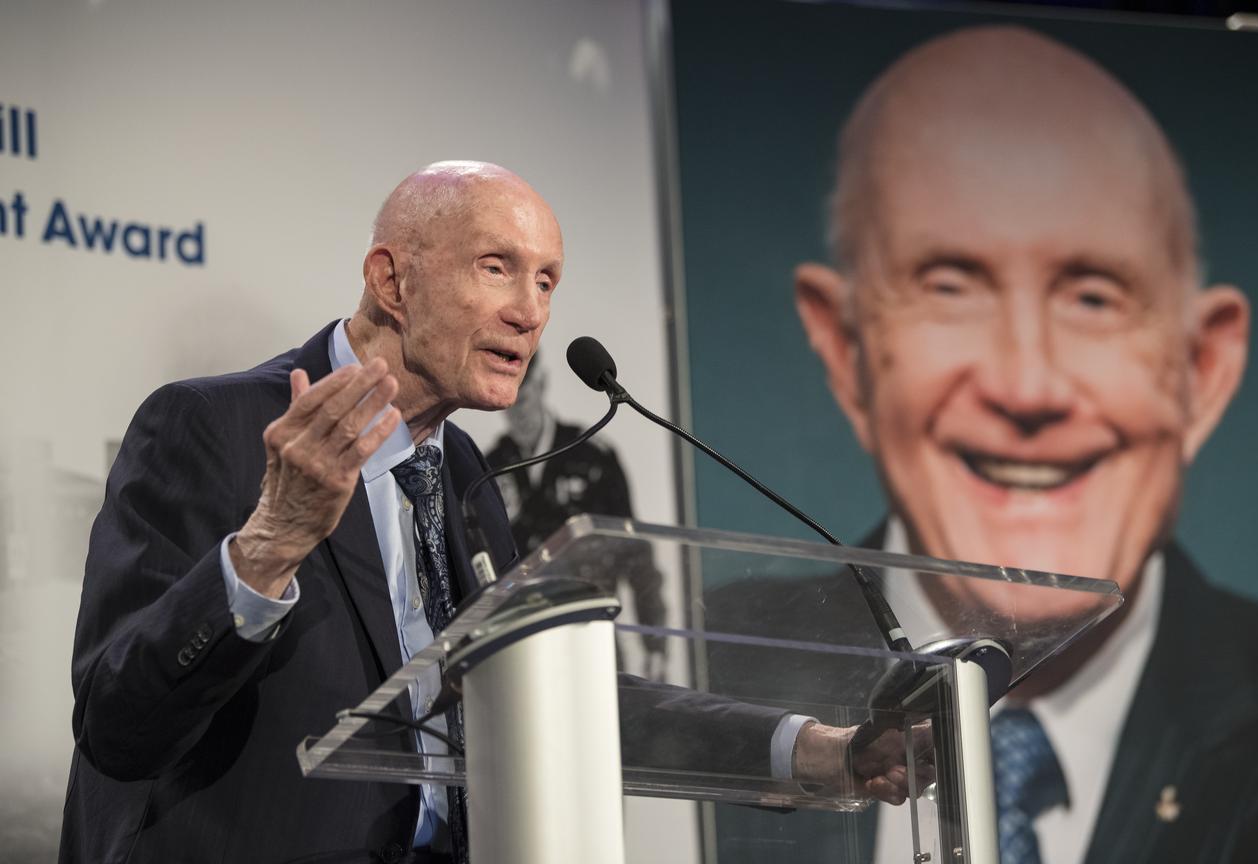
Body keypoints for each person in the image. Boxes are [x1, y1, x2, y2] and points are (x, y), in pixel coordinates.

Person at [60, 161, 916, 864]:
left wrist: (815, 750)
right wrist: (267, 548)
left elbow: (542, 698)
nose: (531, 312)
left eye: (547, 280)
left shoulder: (462, 473)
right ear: (391, 279)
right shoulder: (213, 428)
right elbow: (116, 726)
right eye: (497, 268)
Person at [788, 25, 1258, 864]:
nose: (1027, 387)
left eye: (1094, 296)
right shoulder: (717, 680)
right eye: (950, 285)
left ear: (1204, 366)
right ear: (846, 349)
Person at [485, 353, 669, 679]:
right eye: (509, 407)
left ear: (540, 386)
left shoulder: (591, 455)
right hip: (522, 639)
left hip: (590, 630)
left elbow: (636, 555)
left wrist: (655, 641)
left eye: (523, 399)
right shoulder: (491, 468)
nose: (518, 415)